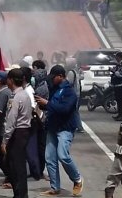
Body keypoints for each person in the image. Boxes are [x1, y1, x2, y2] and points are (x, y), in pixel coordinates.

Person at [35, 65, 83, 197]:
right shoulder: (53, 89)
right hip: (52, 127)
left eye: (53, 77)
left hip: (65, 129)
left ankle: (77, 180)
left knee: (63, 155)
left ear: (61, 76)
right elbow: (51, 107)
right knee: (50, 158)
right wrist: (41, 104)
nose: (51, 80)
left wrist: (47, 103)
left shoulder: (69, 92)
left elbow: (65, 109)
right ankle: (55, 187)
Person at [3, 68, 33, 198]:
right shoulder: (25, 94)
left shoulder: (16, 97)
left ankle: (20, 194)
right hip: (24, 132)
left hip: (17, 133)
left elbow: (11, 119)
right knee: (18, 165)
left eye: (8, 79)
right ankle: (20, 194)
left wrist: (5, 140)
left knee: (16, 167)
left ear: (11, 80)